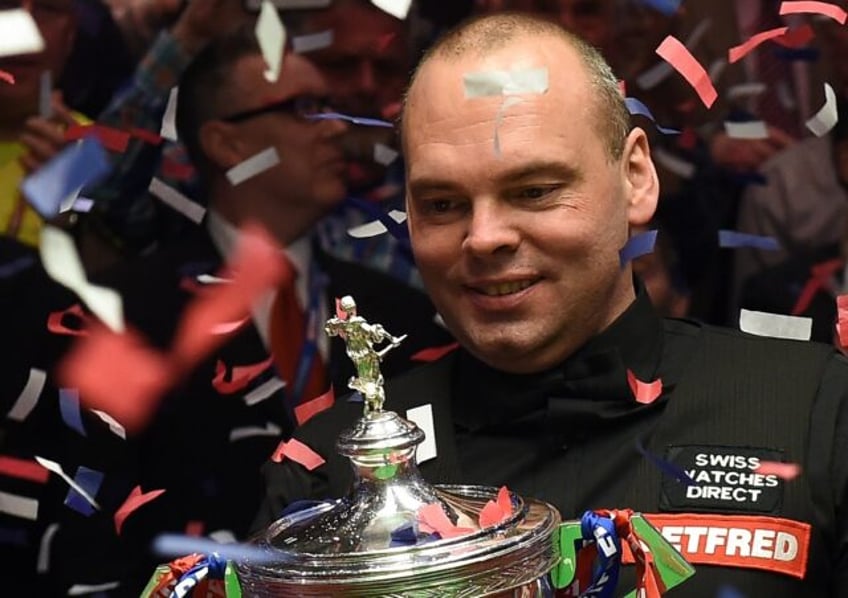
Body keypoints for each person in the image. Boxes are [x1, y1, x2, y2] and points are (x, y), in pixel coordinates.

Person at [255, 12, 848, 596]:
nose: (483, 236)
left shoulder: (811, 410)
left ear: (636, 179)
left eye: (534, 191)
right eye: (441, 203)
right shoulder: (333, 471)